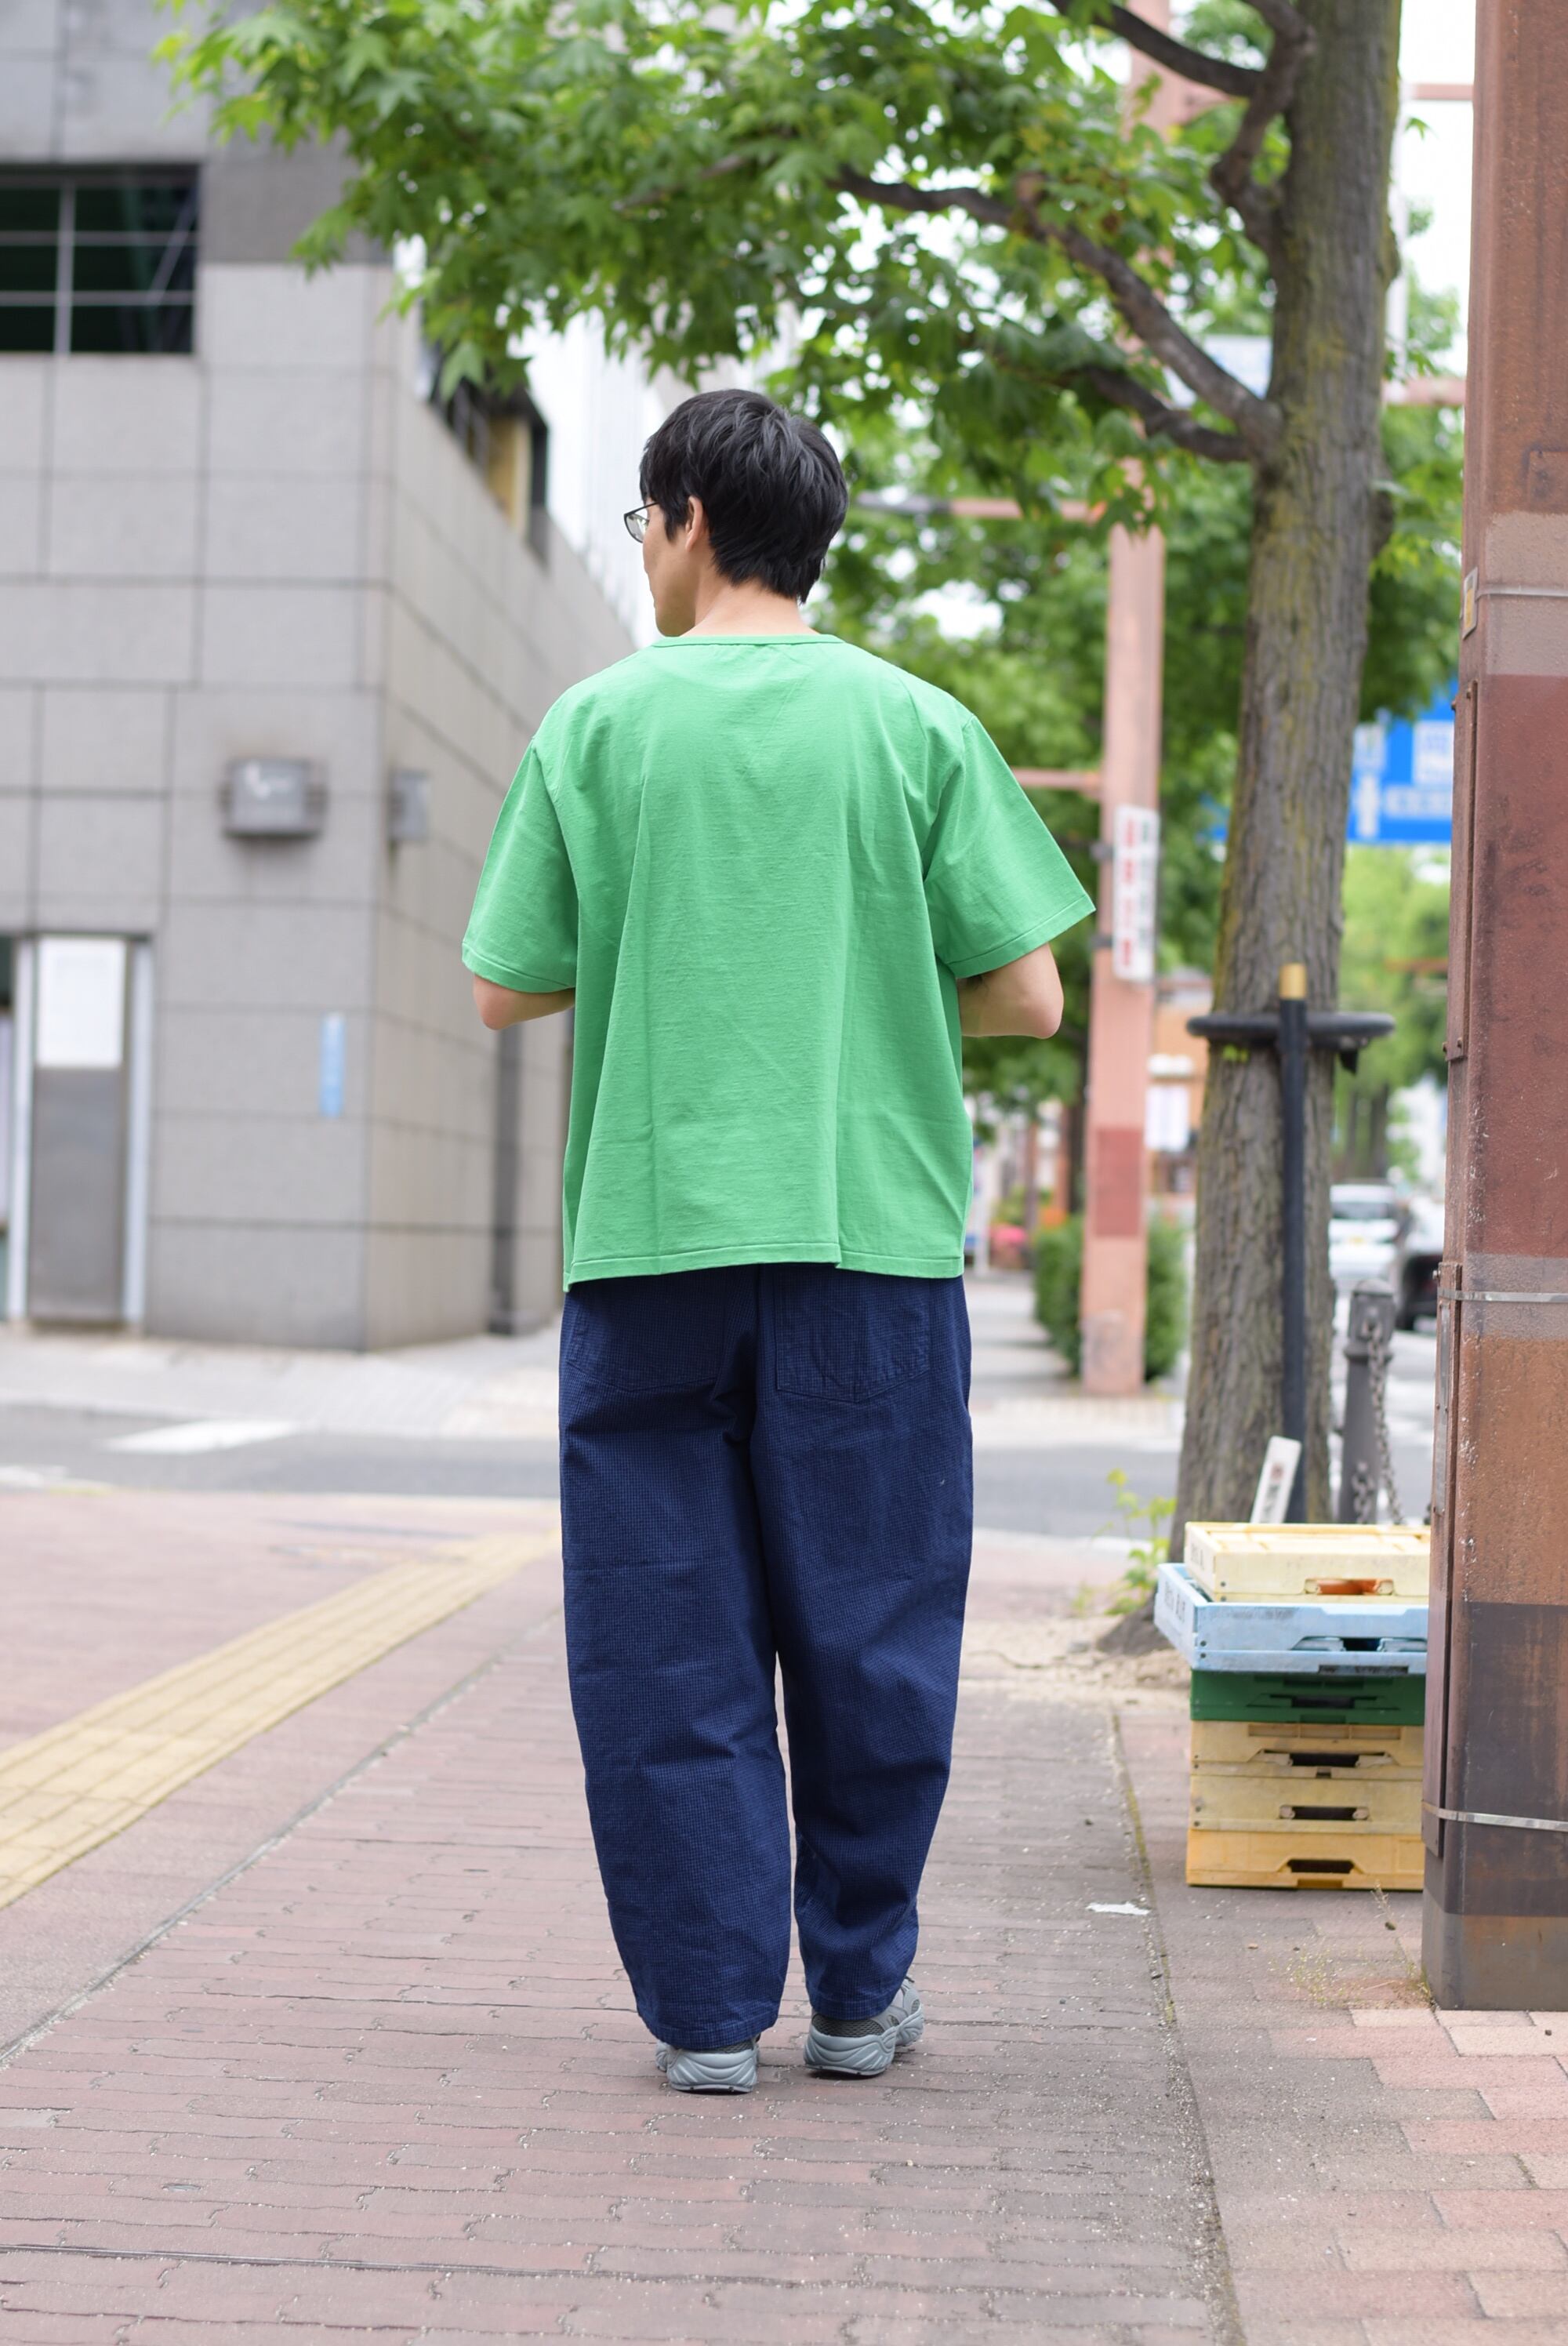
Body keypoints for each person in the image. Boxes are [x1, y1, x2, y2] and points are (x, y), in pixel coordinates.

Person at [463, 388, 1091, 2093]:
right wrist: (871, 979)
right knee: (875, 1627)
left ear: (682, 519)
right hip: (868, 1246)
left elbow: (506, 984)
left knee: (664, 1634)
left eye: (642, 525)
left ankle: (704, 2013)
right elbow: (1030, 996)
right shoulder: (915, 726)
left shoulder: (597, 725)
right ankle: (860, 1995)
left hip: (649, 1246)